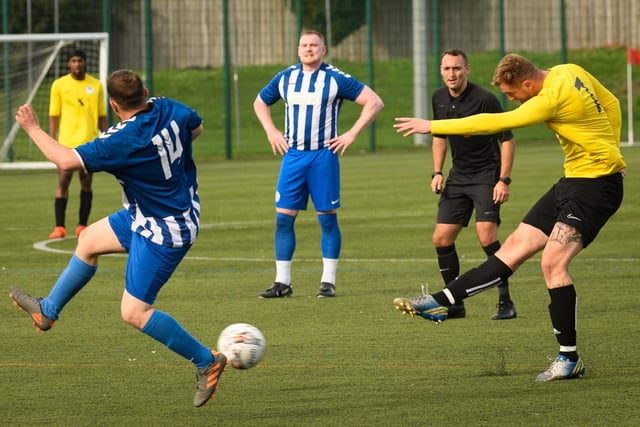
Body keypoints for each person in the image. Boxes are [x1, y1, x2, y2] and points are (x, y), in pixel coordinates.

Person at [392, 53, 626, 381]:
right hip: (572, 182)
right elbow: (611, 102)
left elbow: (493, 123)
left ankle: (569, 358)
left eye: (513, 94)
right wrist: (609, 147)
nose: (512, 101)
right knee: (513, 248)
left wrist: (432, 126)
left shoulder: (548, 100)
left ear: (527, 83)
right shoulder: (568, 70)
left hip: (596, 188)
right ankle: (439, 301)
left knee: (552, 263)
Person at [10, 70, 227, 407]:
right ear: (146, 92)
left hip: (165, 229)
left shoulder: (120, 141)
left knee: (134, 311)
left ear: (113, 104)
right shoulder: (169, 106)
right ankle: (47, 311)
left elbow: (66, 160)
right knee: (88, 242)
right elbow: (195, 128)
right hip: (148, 211)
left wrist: (33, 128)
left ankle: (206, 361)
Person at [253, 29, 384, 298]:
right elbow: (259, 102)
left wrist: (352, 133)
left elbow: (374, 101)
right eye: (304, 45)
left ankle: (328, 281)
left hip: (323, 157)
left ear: (323, 49)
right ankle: (282, 282)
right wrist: (271, 131)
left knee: (326, 220)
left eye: (314, 45)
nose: (308, 49)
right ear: (298, 49)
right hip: (293, 156)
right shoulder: (286, 78)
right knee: (283, 220)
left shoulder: (335, 79)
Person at [428, 49, 516, 320]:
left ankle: (506, 302)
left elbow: (507, 139)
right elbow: (439, 135)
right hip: (458, 175)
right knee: (441, 239)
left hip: (486, 175)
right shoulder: (439, 97)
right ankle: (454, 303)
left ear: (468, 69)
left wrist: (503, 180)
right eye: (446, 69)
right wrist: (436, 171)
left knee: (486, 236)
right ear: (441, 71)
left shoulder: (485, 99)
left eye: (457, 68)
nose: (451, 74)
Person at [48, 48, 108, 239]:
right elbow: (54, 114)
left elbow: (102, 114)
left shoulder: (96, 85)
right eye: (73, 61)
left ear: (85, 62)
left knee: (86, 182)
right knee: (63, 181)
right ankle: (59, 227)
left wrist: (105, 136)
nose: (77, 64)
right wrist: (51, 140)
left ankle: (82, 225)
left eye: (80, 60)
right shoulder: (59, 85)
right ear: (68, 64)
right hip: (66, 143)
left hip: (89, 143)